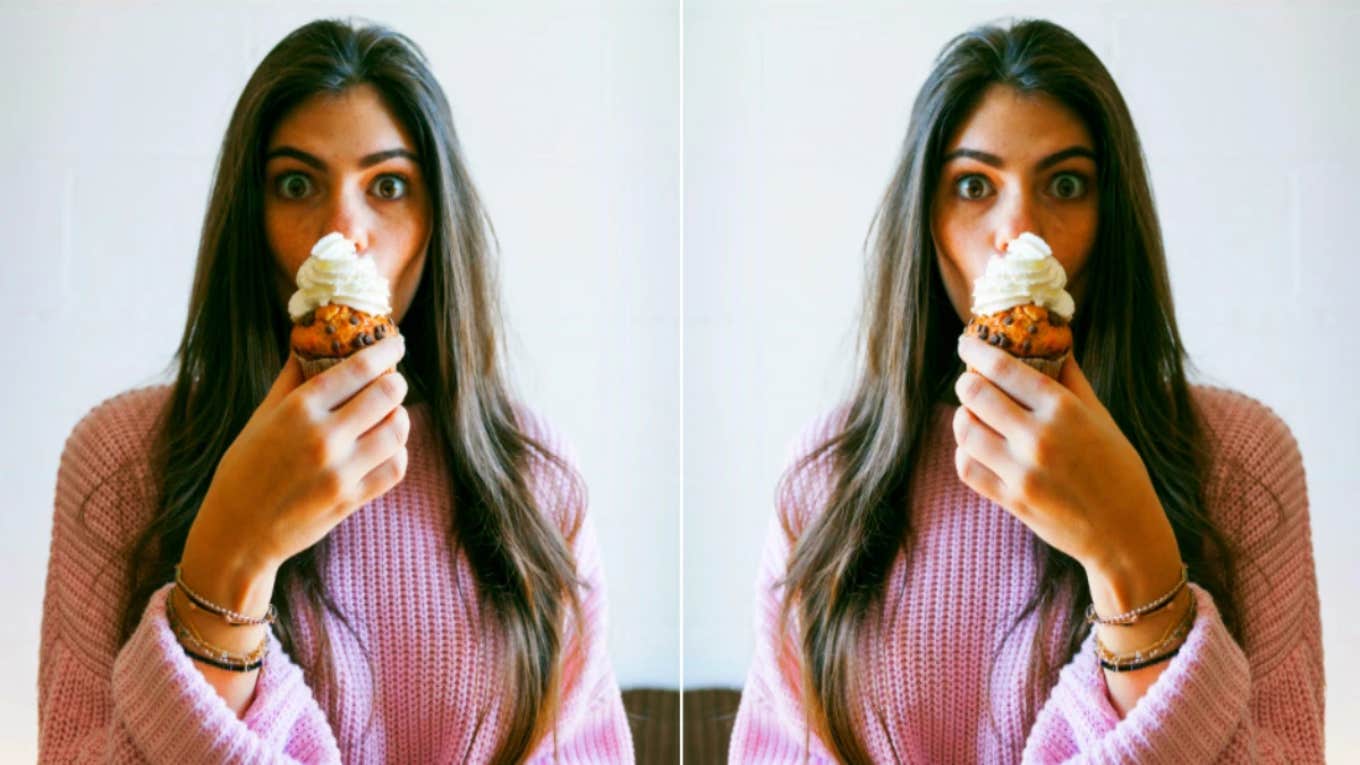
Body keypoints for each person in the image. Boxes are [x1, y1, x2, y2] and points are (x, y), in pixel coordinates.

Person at [38, 19, 634, 764]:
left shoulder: (536, 477)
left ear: (436, 221)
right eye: (296, 184)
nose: (341, 235)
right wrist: (231, 555)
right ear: (248, 217)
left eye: (388, 186)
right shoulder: (122, 459)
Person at [729, 18, 1324, 764]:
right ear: (926, 221)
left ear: (1114, 218)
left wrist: (1130, 554)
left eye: (1066, 184)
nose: (1020, 235)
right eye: (974, 186)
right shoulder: (825, 477)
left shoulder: (1240, 459)